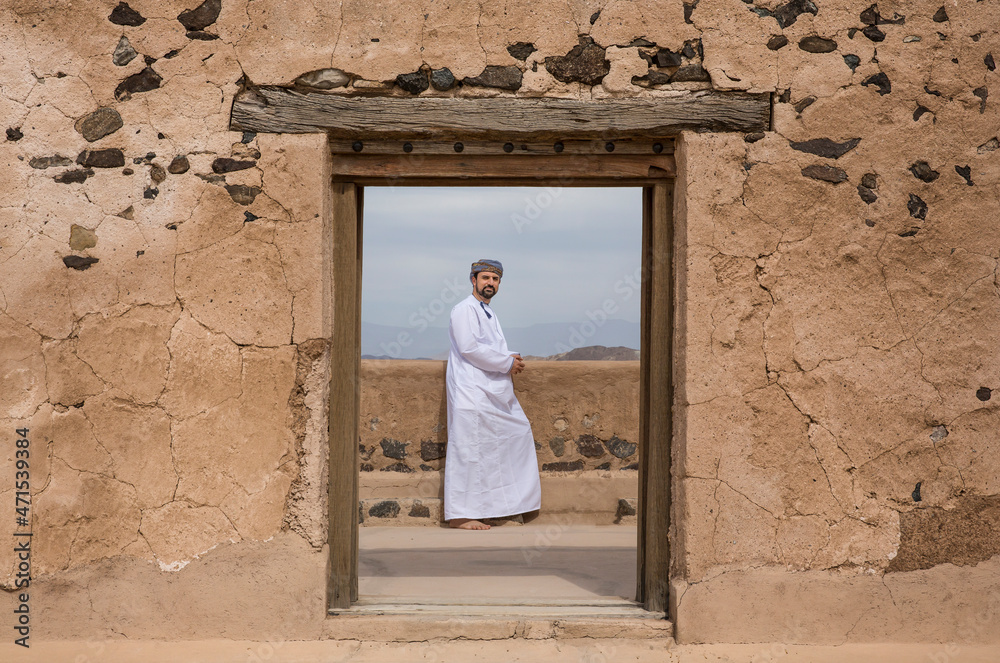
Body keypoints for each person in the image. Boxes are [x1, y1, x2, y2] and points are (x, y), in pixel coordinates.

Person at [444, 259, 541, 530]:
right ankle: (461, 515)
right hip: (471, 391)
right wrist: (506, 363)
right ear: (473, 280)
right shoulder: (464, 310)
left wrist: (507, 357)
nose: (490, 283)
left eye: (495, 279)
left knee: (506, 441)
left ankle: (499, 509)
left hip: (490, 391)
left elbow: (485, 346)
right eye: (485, 278)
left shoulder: (487, 312)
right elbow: (469, 348)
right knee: (468, 449)